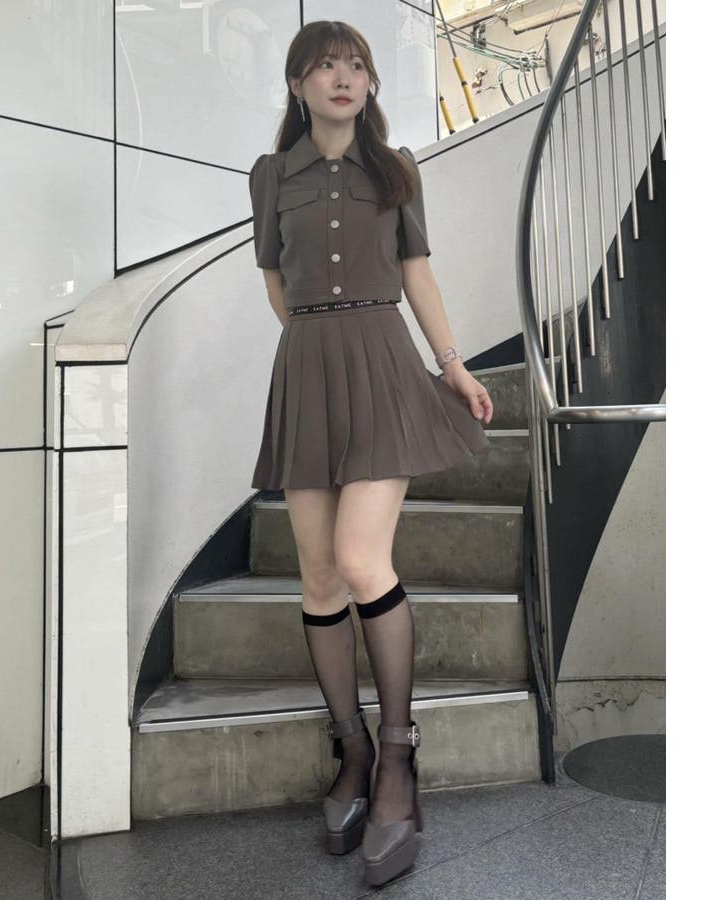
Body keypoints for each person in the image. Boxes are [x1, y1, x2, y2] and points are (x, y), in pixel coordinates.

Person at [247, 20, 494, 888]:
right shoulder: (271, 176)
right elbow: (274, 278)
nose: (343, 78)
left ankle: (396, 754)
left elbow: (416, 270)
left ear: (371, 82)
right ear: (298, 84)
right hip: (309, 371)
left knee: (360, 560)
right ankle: (348, 747)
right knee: (318, 577)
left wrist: (452, 366)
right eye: (326, 66)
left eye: (356, 65)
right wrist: (318, 343)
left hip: (383, 367)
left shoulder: (396, 168)